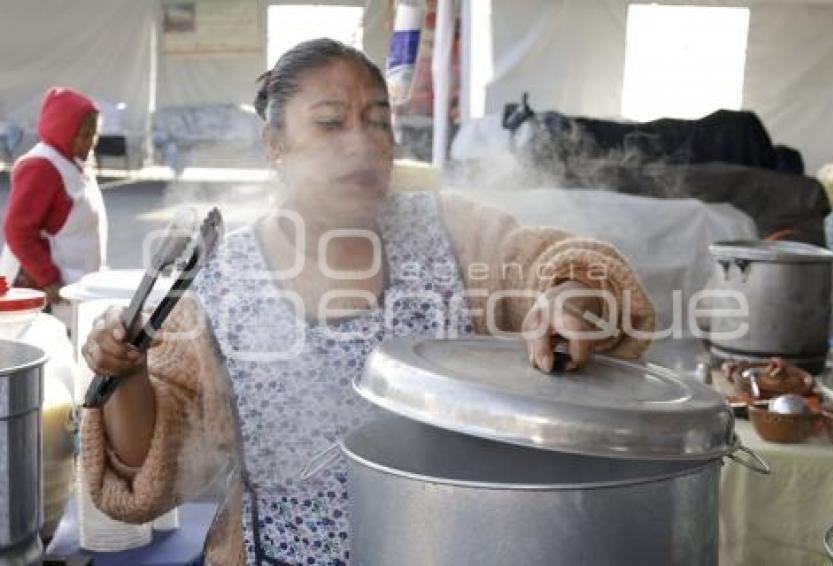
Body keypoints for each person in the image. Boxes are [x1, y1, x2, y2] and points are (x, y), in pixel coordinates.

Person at [80, 39, 655, 565]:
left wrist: (571, 294)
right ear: (274, 144)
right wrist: (126, 376)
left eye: (379, 122)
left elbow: (557, 262)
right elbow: (161, 462)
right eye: (331, 123)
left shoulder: (453, 235)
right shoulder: (220, 278)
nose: (362, 143)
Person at [1, 87, 106, 304]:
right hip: (45, 292)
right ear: (62, 130)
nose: (91, 142)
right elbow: (17, 231)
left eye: (94, 134)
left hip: (74, 284)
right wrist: (48, 279)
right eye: (84, 135)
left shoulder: (74, 161)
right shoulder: (40, 167)